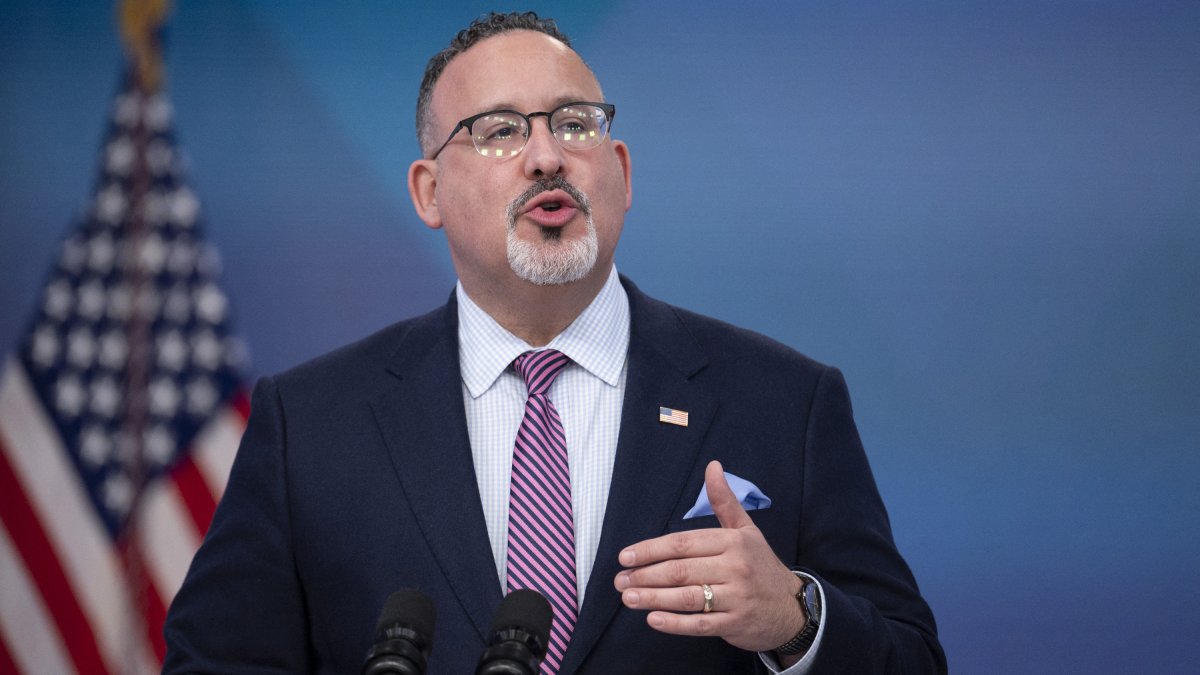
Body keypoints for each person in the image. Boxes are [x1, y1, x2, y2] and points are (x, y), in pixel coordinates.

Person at [163, 11, 945, 674]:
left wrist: (798, 619)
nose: (546, 157)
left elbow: (913, 658)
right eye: (499, 131)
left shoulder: (783, 402)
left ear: (622, 172)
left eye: (575, 124)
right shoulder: (311, 425)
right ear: (428, 192)